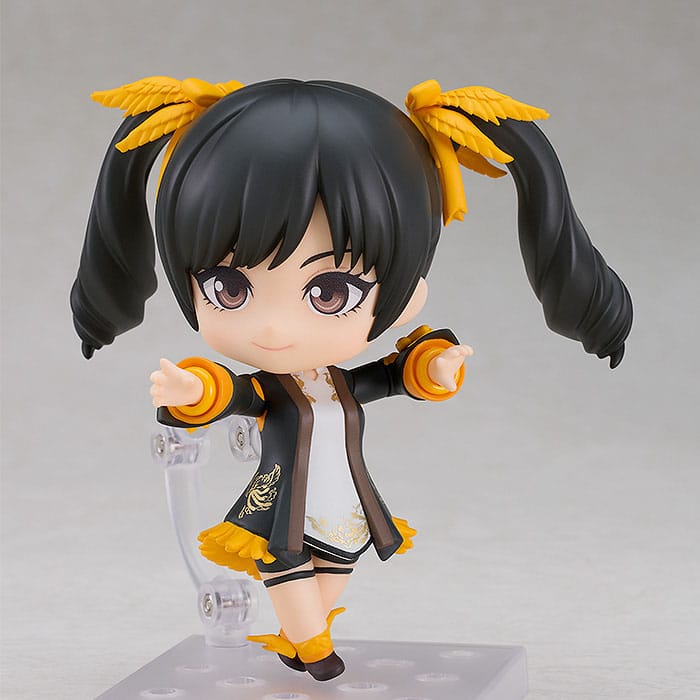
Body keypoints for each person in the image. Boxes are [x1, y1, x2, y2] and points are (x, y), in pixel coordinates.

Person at [71, 75, 632, 680]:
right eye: (228, 287)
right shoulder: (272, 388)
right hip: (280, 507)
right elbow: (233, 392)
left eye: (330, 293)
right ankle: (314, 650)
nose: (275, 328)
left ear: (407, 295)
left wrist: (433, 366)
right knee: (289, 574)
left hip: (343, 504)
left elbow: (386, 379)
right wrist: (192, 392)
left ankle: (300, 641)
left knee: (336, 570)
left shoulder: (339, 382)